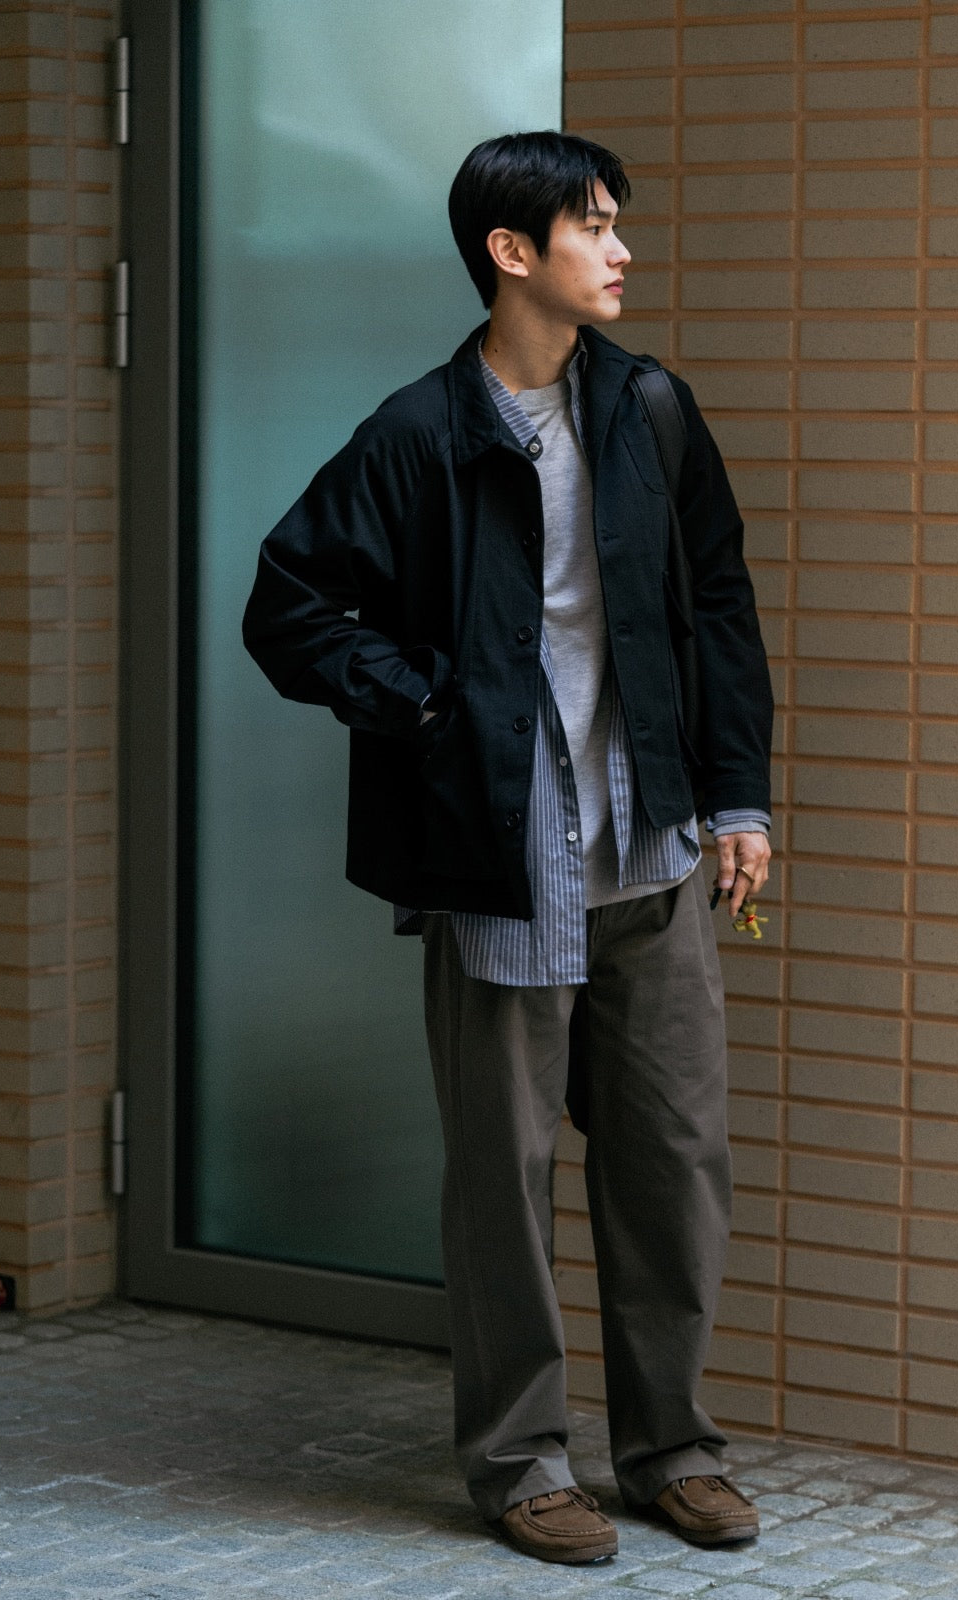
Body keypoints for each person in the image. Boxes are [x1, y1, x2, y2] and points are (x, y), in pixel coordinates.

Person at [242, 130, 774, 1566]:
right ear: (511, 252)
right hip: (499, 858)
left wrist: (738, 800)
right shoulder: (420, 431)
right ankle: (523, 1463)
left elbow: (717, 609)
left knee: (675, 1165)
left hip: (650, 848)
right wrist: (425, 705)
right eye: (591, 225)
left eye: (615, 221)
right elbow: (290, 604)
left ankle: (671, 1450)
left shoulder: (650, 410)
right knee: (503, 1178)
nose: (620, 249)